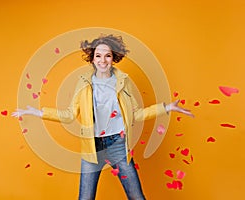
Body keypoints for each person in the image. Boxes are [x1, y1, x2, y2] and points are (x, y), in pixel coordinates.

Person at [12, 34, 194, 200]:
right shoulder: (84, 83)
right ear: (92, 58)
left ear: (114, 58)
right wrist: (38, 112)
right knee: (85, 199)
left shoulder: (124, 81)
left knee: (137, 197)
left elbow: (136, 114)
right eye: (98, 55)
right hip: (92, 146)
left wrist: (166, 107)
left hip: (118, 145)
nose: (102, 60)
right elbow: (69, 115)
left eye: (107, 55)